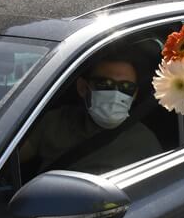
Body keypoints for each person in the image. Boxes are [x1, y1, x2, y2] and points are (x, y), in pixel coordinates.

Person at [18, 51, 161, 177]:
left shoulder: (144, 142)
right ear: (82, 88)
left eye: (126, 87)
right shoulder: (56, 122)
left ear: (135, 94)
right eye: (105, 84)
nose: (115, 94)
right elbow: (7, 160)